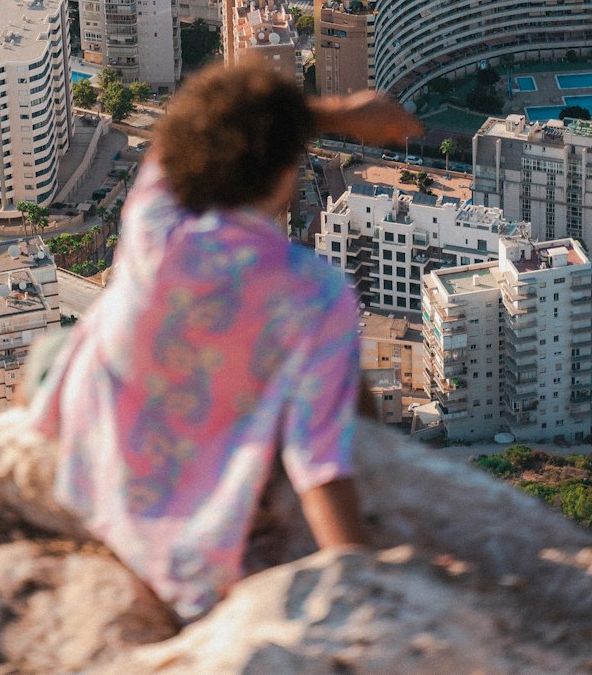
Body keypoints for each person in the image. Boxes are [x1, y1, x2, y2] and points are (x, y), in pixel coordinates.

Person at [25, 62, 420, 621]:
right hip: (189, 541)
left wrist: (335, 114)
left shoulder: (152, 220)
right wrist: (360, 581)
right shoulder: (311, 293)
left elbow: (178, 132)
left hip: (91, 476)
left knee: (52, 354)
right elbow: (318, 462)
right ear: (286, 172)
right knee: (335, 384)